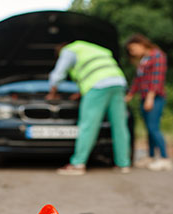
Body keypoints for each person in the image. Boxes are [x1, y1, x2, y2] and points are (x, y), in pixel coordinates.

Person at [46, 40, 131, 175]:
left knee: (88, 125)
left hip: (97, 86)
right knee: (120, 125)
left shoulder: (69, 50)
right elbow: (94, 69)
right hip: (118, 83)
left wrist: (52, 92)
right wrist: (80, 92)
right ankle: (123, 164)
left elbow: (58, 73)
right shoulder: (96, 48)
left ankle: (78, 164)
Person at [125, 34, 172, 171]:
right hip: (144, 97)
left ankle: (164, 158)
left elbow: (157, 79)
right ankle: (150, 156)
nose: (132, 53)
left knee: (153, 128)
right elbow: (138, 80)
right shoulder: (144, 60)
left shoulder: (157, 56)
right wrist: (130, 95)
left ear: (141, 44)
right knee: (148, 129)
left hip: (154, 98)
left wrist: (150, 98)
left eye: (133, 49)